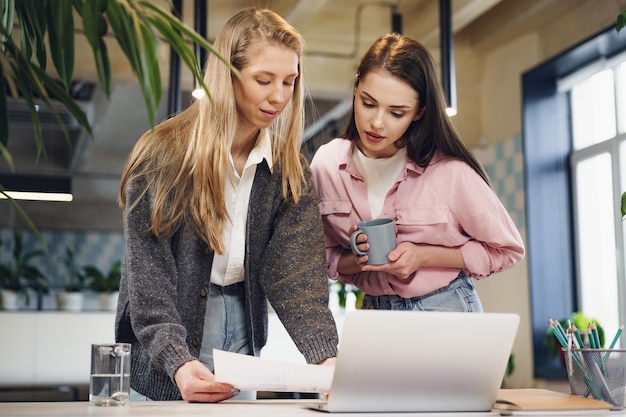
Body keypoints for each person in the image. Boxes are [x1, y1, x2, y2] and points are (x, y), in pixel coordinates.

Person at [115, 7, 338, 403]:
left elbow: (298, 277)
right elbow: (148, 280)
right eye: (263, 80)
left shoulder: (290, 171)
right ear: (227, 76)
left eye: (289, 81)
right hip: (167, 331)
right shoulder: (163, 155)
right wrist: (177, 361)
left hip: (241, 330)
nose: (279, 97)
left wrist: (325, 359)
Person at [311, 33, 525, 312]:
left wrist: (423, 256)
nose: (376, 123)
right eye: (368, 103)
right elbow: (319, 257)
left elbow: (507, 250)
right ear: (355, 87)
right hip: (374, 310)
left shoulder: (450, 172)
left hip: (444, 306)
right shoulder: (326, 166)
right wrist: (359, 258)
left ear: (419, 112)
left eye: (396, 113)